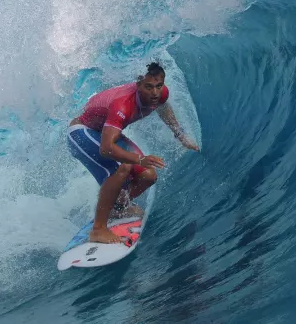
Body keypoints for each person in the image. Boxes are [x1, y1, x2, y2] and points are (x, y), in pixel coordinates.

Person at [67, 62, 199, 244]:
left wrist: (180, 135)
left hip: (106, 132)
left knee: (148, 175)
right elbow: (106, 148)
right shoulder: (123, 105)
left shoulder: (160, 94)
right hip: (82, 134)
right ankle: (98, 229)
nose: (155, 93)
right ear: (138, 85)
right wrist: (140, 158)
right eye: (149, 87)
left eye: (159, 86)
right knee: (120, 170)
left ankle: (118, 207)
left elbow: (163, 107)